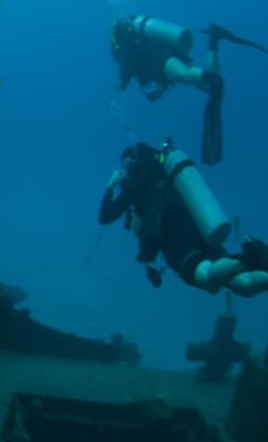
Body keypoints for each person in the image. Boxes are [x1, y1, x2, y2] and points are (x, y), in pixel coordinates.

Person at [98, 141, 268, 297]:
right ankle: (249, 260)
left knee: (207, 277)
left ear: (130, 162)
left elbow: (105, 217)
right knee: (239, 281)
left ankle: (238, 262)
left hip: (176, 241)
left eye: (125, 166)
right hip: (202, 226)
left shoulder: (138, 184)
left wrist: (110, 186)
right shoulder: (167, 174)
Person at [110, 17, 266, 165]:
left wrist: (122, 83)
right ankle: (214, 39)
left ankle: (212, 74)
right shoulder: (135, 44)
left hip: (160, 59)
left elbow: (127, 76)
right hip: (169, 54)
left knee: (184, 75)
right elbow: (153, 83)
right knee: (208, 87)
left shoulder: (124, 53)